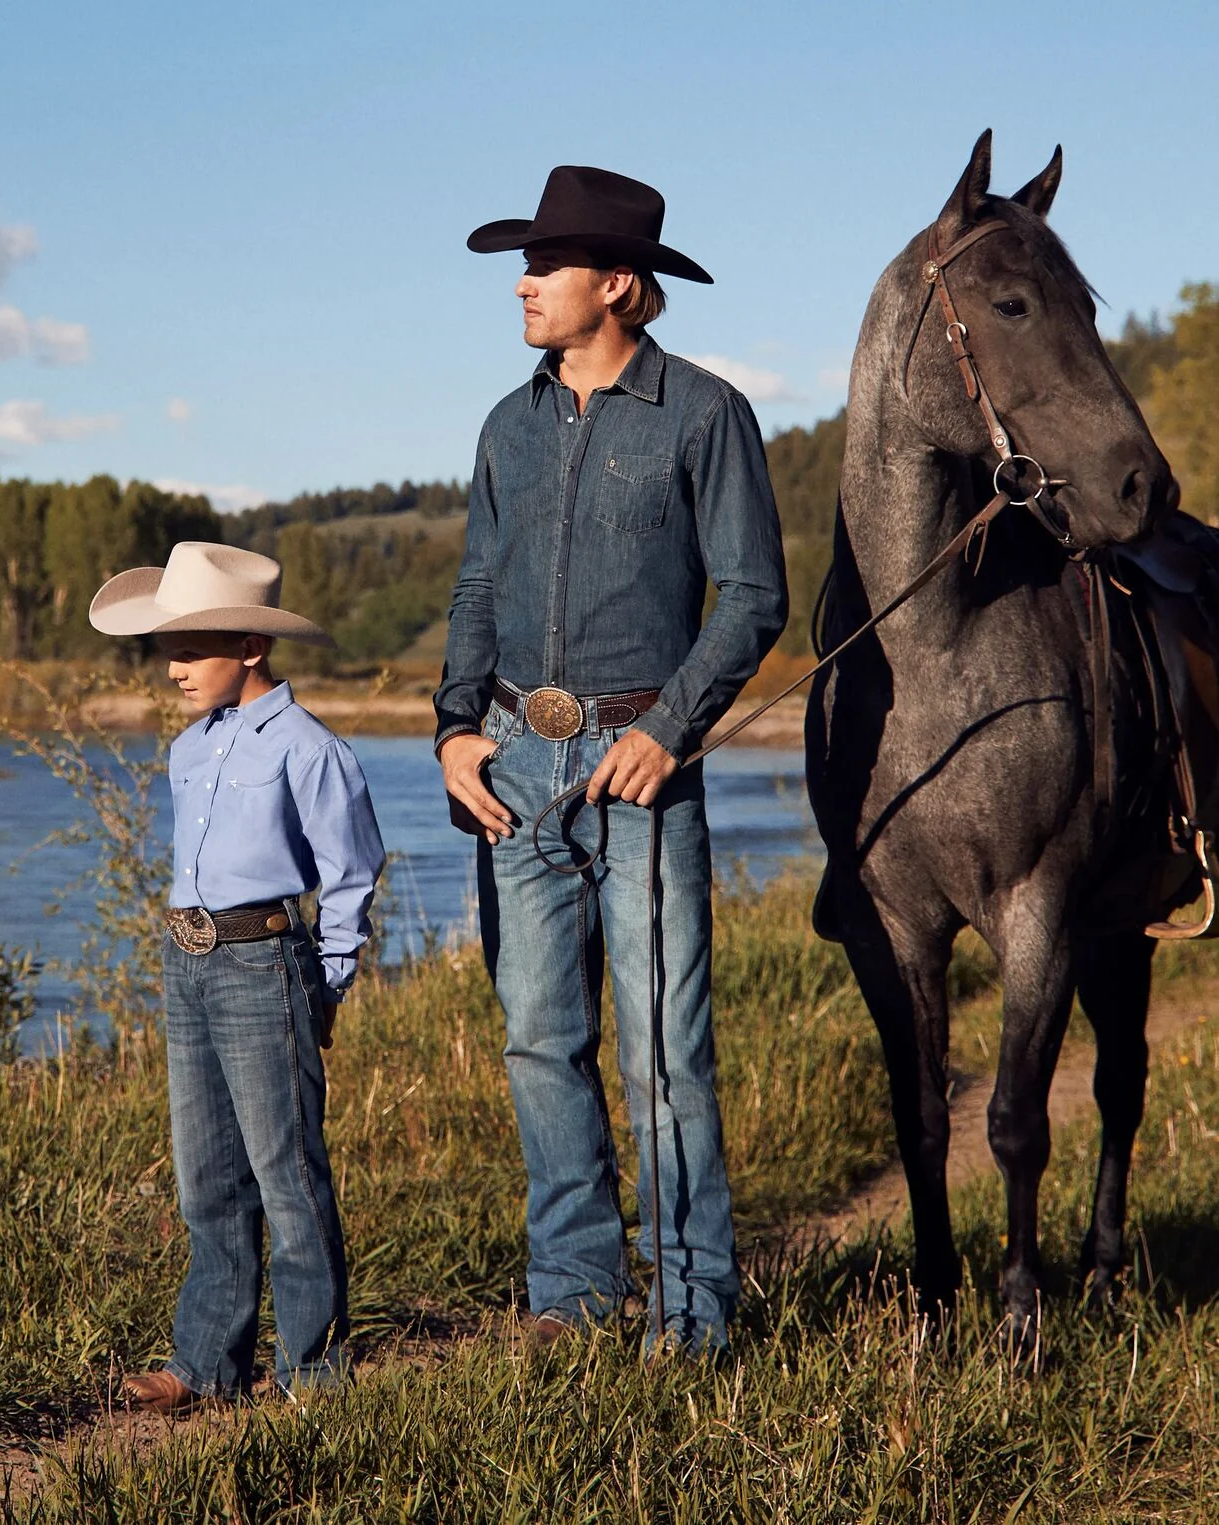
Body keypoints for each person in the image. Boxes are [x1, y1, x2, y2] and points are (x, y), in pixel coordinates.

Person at [435, 165, 788, 1357]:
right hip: (512, 769)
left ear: (619, 286)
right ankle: (574, 1293)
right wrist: (453, 727)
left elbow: (752, 594)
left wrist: (668, 728)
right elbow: (475, 587)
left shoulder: (704, 414)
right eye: (524, 265)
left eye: (547, 265)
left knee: (664, 1053)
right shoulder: (505, 424)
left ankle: (691, 1315)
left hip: (640, 769)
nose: (523, 284)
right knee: (540, 1042)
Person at [90, 541, 385, 1410]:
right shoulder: (189, 749)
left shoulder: (311, 749)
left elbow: (350, 873)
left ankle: (313, 1377)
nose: (173, 668)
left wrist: (325, 984)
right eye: (167, 650)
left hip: (264, 966)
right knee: (207, 1178)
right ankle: (205, 1365)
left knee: (286, 1176)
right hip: (185, 963)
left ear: (251, 648)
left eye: (191, 649)